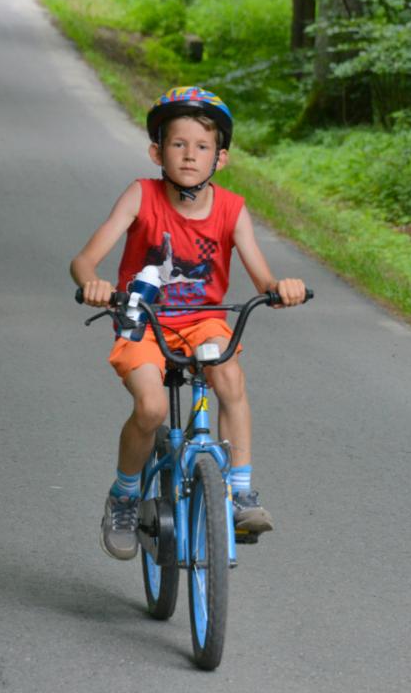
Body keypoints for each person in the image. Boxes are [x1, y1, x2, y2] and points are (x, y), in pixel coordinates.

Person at [70, 86, 307, 561]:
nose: (189, 155)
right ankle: (124, 497)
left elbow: (262, 277)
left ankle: (239, 492)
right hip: (144, 319)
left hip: (204, 323)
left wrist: (281, 288)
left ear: (221, 158)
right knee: (152, 407)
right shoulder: (141, 196)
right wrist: (92, 281)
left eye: (202, 146)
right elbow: (84, 260)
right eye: (178, 144)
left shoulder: (232, 209)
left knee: (229, 379)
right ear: (157, 152)